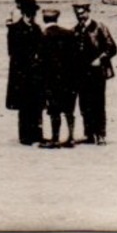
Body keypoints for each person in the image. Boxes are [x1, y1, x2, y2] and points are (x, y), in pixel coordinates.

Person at [72, 2, 117, 144]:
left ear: (88, 12)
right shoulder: (75, 30)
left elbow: (112, 48)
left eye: (82, 13)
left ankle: (100, 134)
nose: (80, 17)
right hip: (81, 72)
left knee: (98, 103)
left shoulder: (99, 28)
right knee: (84, 104)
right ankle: (89, 133)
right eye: (78, 14)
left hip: (97, 72)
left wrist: (101, 59)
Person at [5, 0, 45, 145]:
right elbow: (13, 52)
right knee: (24, 106)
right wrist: (30, 58)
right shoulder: (15, 30)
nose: (31, 17)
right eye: (28, 15)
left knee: (37, 105)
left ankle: (37, 134)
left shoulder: (37, 29)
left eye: (32, 15)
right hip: (22, 74)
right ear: (23, 14)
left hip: (36, 74)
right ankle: (25, 136)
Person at [38, 8, 77, 147]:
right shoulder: (69, 33)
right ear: (57, 19)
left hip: (51, 80)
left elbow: (41, 61)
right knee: (68, 110)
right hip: (69, 79)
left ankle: (55, 139)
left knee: (54, 111)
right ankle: (71, 138)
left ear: (44, 19)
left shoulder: (43, 36)